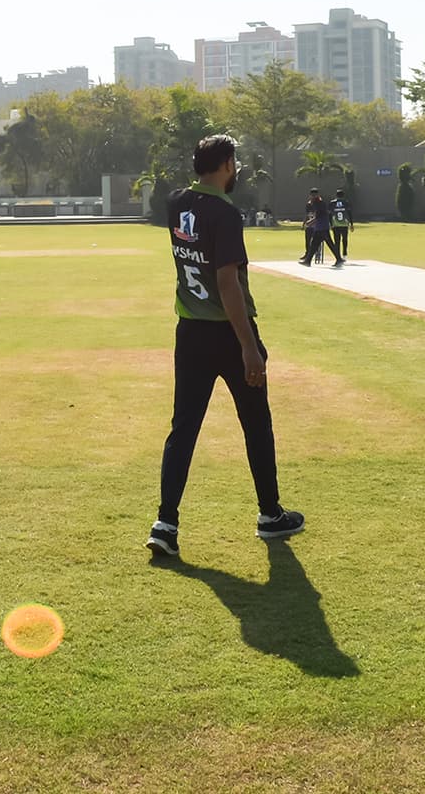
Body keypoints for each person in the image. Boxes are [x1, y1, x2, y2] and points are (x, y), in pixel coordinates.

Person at [148, 134, 305, 559]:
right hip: (229, 334)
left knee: (183, 429)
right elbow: (227, 283)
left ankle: (166, 522)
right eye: (234, 163)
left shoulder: (177, 203)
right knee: (256, 423)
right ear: (227, 165)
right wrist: (249, 346)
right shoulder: (225, 213)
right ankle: (270, 515)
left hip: (190, 331)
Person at [329, 188, 353, 261]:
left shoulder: (332, 203)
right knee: (344, 239)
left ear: (336, 195)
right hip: (344, 224)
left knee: (337, 240)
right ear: (343, 195)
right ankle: (344, 253)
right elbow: (349, 214)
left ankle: (338, 255)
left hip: (335, 224)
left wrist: (330, 223)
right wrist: (351, 224)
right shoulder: (346, 202)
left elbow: (329, 214)